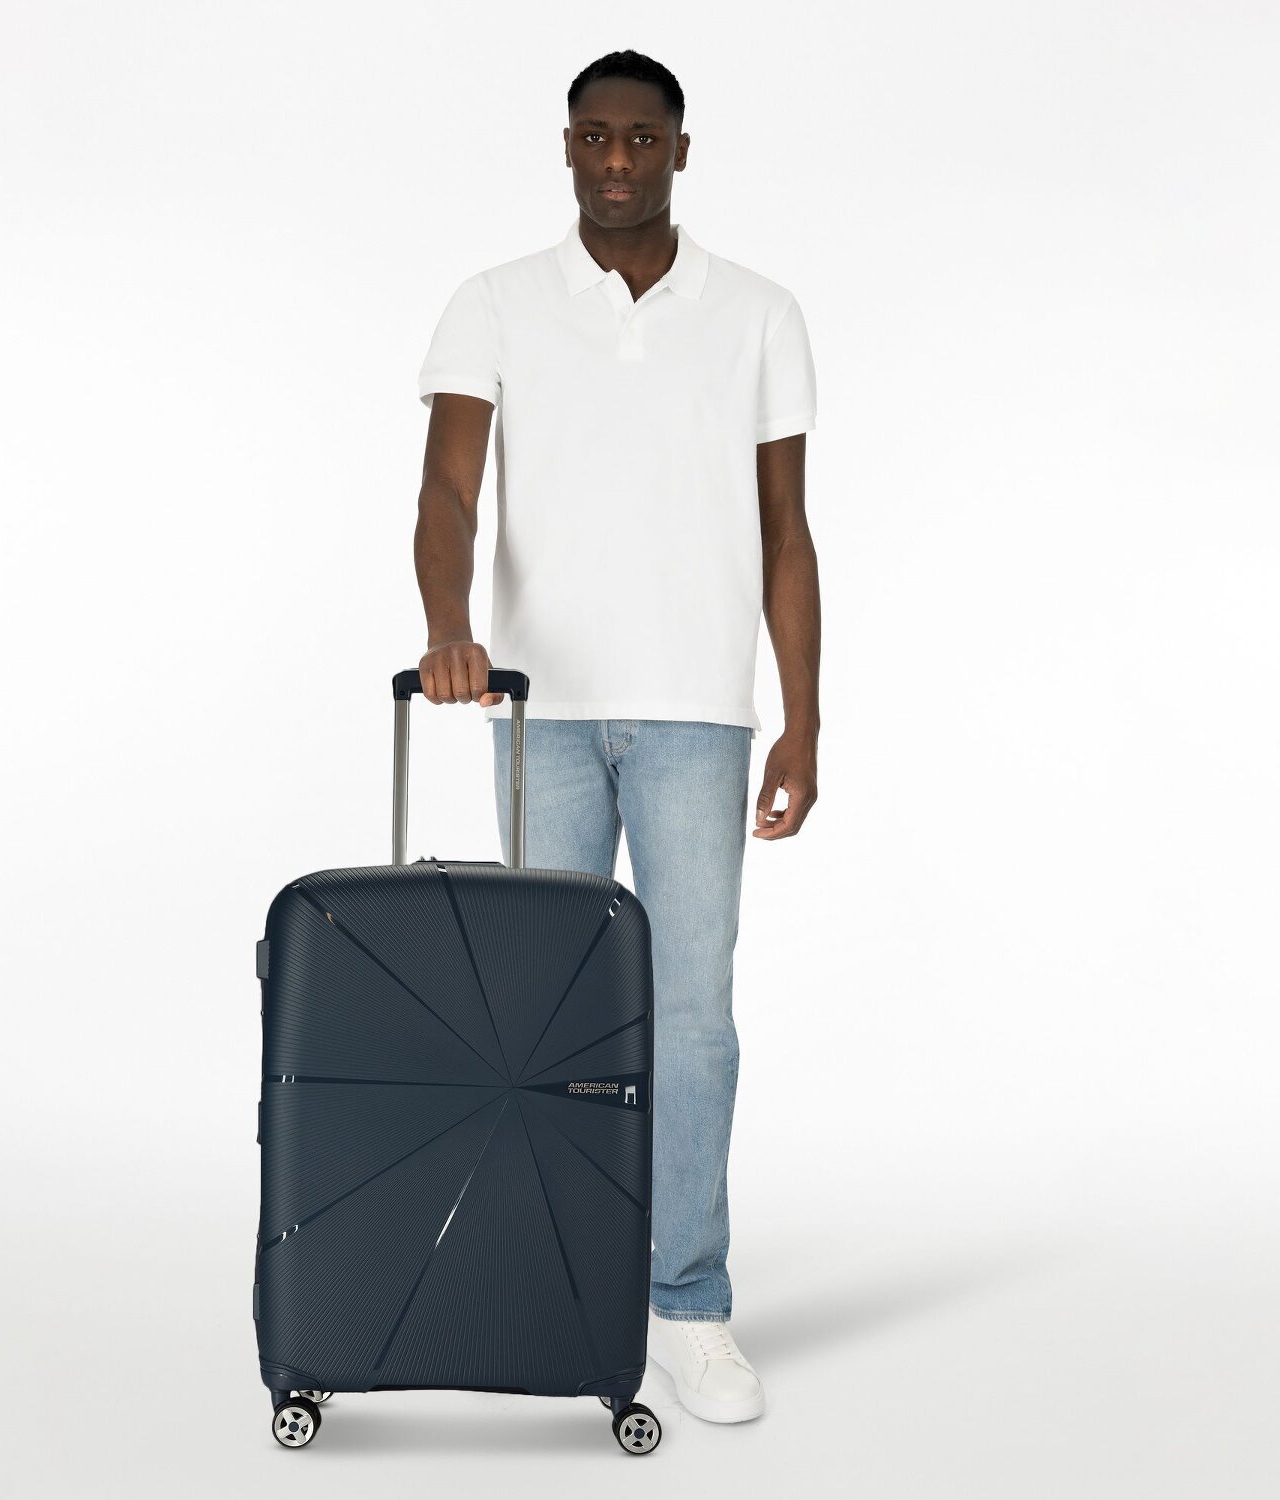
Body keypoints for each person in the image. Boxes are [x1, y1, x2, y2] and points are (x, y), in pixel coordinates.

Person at [411, 49, 820, 1426]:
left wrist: (804, 716)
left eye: (644, 140)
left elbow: (786, 531)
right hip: (543, 710)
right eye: (596, 137)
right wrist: (449, 625)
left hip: (700, 711)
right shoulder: (496, 302)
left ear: (680, 151)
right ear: (568, 145)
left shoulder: (758, 313)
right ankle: (561, 1282)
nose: (619, 163)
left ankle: (687, 1305)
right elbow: (448, 492)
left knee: (692, 1025)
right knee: (544, 1017)